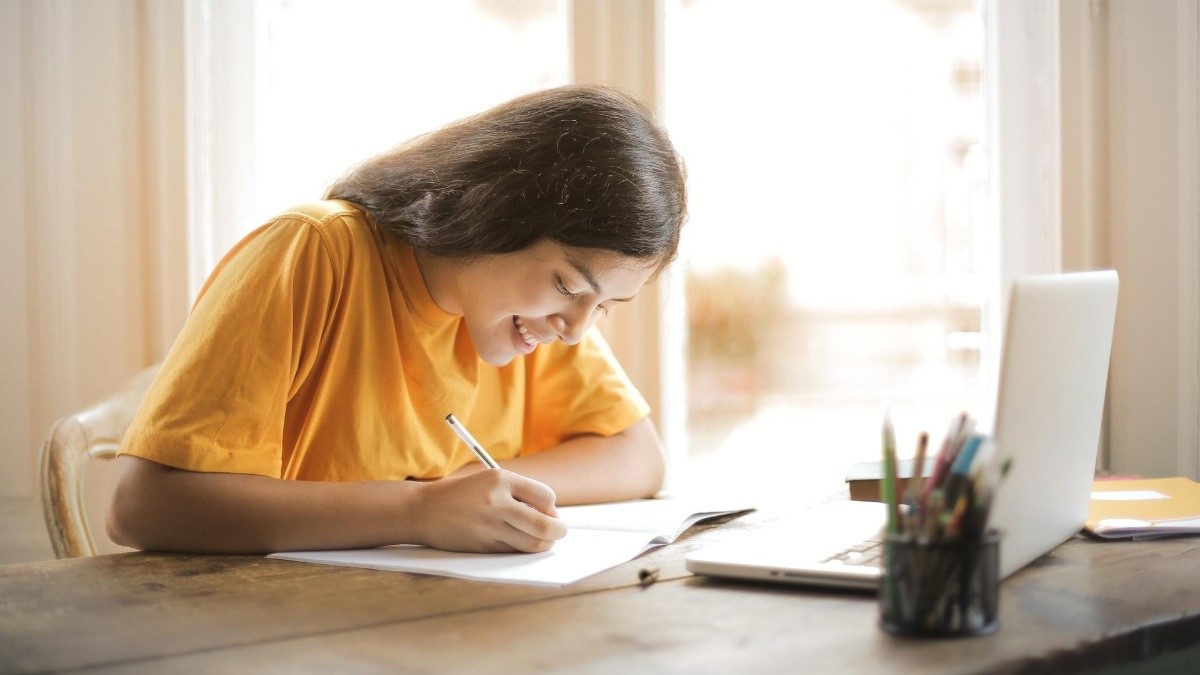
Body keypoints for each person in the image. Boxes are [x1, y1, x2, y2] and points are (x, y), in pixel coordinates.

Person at [106, 84, 688, 556]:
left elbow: (638, 456)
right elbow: (141, 506)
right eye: (567, 285)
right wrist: (418, 511)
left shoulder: (536, 319)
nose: (578, 329)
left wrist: (476, 491)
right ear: (494, 212)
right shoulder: (314, 252)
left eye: (605, 306)